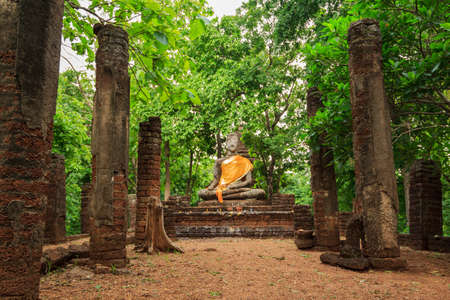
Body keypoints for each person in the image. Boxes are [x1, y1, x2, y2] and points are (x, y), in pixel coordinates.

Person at [198, 133, 265, 203]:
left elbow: (249, 181)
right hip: (223, 188)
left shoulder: (245, 161)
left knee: (260, 192)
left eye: (234, 141)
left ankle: (225, 196)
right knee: (202, 193)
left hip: (238, 188)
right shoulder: (219, 162)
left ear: (237, 144)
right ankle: (232, 196)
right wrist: (210, 188)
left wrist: (236, 186)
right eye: (229, 141)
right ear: (226, 143)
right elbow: (216, 180)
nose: (232, 143)